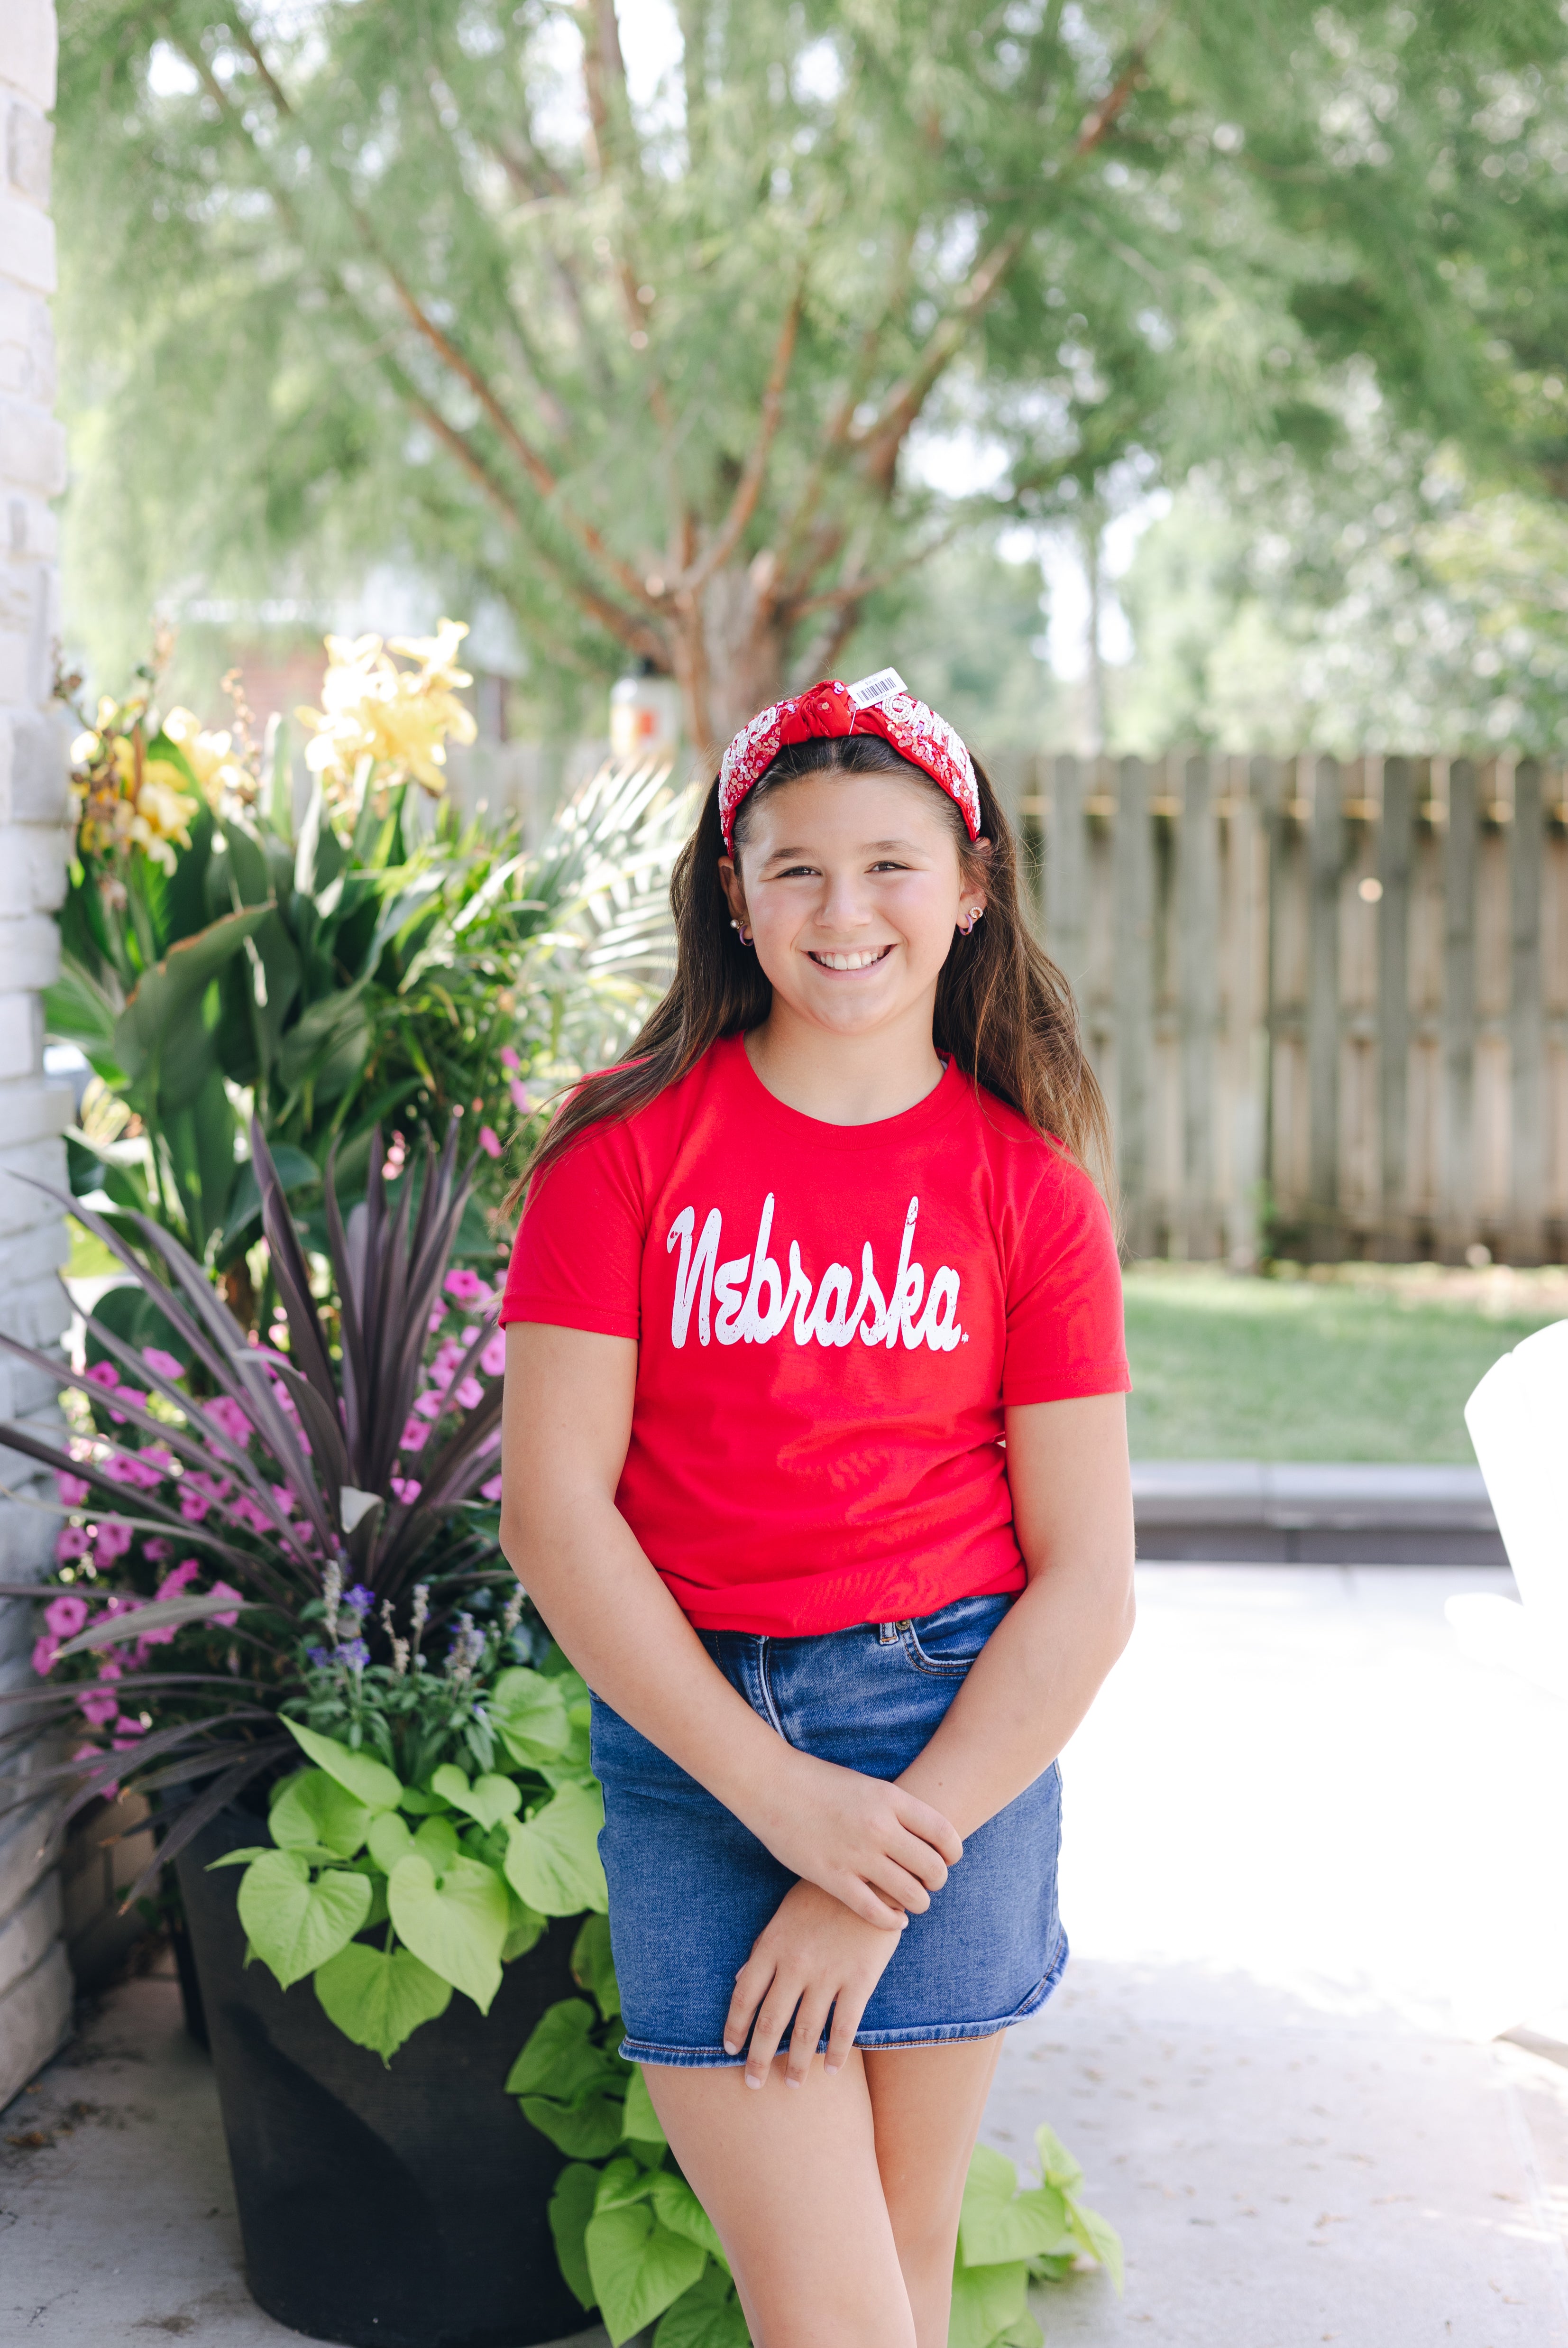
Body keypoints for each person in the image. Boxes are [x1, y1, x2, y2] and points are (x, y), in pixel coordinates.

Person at [498, 672, 1135, 2348]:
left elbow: (1085, 1584)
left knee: (905, 2267)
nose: (842, 912)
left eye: (890, 866)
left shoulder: (1029, 1191)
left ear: (972, 885)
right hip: (705, 1743)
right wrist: (779, 1799)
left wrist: (870, 1865)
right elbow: (556, 1516)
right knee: (831, 2306)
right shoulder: (621, 1153)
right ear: (733, 891)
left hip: (953, 1750)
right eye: (794, 869)